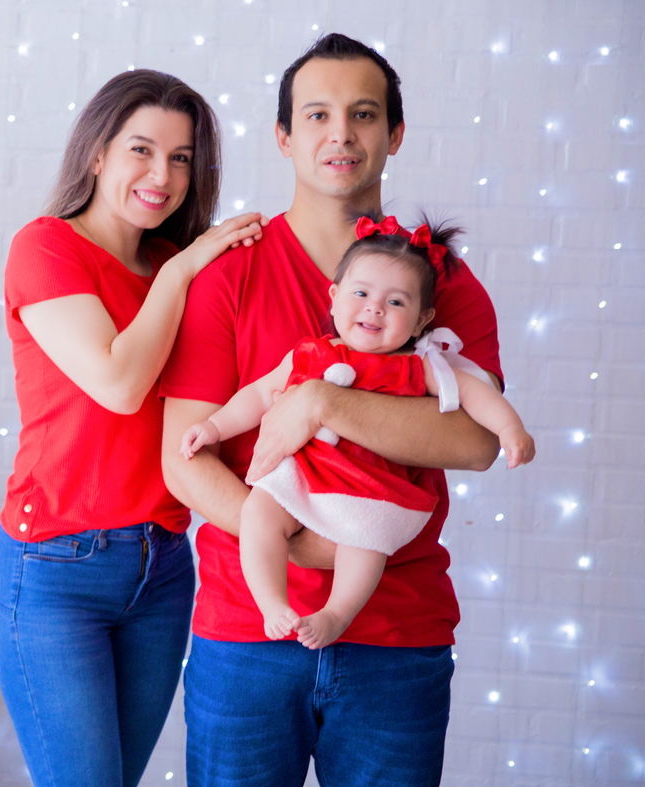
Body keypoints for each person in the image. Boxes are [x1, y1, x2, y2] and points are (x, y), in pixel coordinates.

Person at [160, 34, 506, 787]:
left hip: (396, 640)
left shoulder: (442, 284)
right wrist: (313, 549)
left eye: (363, 114)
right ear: (284, 137)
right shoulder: (231, 271)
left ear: (395, 135)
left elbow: (477, 442)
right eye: (316, 115)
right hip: (247, 632)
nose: (340, 133)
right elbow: (184, 456)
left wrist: (323, 401)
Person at [0, 69, 266, 787]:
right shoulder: (46, 248)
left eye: (181, 158)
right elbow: (119, 383)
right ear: (98, 153)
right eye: (142, 149)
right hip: (55, 570)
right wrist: (185, 273)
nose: (162, 174)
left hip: (164, 569)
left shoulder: (177, 262)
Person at [180, 216, 536, 652]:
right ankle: (272, 602)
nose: (374, 309)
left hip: (370, 488)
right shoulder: (310, 353)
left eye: (396, 302)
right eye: (362, 294)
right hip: (305, 475)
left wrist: (508, 427)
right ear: (334, 298)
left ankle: (337, 613)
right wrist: (213, 426)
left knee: (365, 544)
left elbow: (474, 393)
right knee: (259, 513)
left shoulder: (417, 367)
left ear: (423, 319)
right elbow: (257, 396)